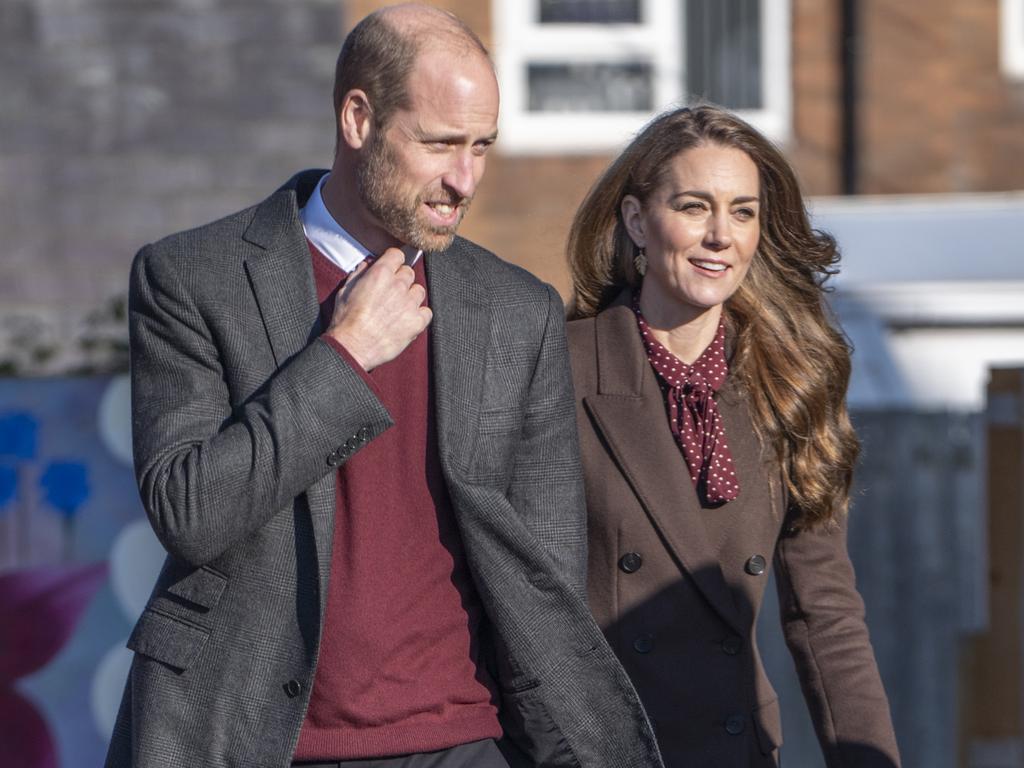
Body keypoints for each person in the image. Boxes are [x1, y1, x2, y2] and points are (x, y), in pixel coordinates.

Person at [105, 6, 661, 768]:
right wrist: (345, 355)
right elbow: (190, 512)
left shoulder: (517, 310)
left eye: (482, 147)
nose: (463, 179)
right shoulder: (191, 279)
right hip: (254, 739)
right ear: (358, 117)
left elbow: (543, 577)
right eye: (439, 143)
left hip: (462, 740)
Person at [565, 105, 901, 767]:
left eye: (743, 212)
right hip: (597, 748)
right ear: (636, 220)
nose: (721, 235)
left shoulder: (789, 384)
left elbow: (824, 612)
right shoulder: (559, 367)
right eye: (695, 206)